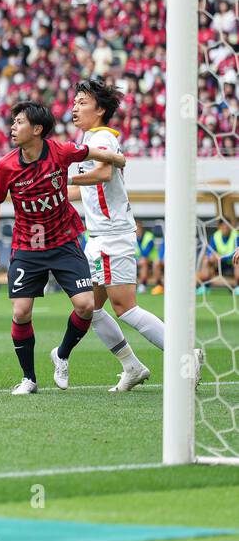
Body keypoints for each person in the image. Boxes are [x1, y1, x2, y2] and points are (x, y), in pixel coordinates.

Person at [0, 100, 127, 394]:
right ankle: (29, 378)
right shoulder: (6, 166)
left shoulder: (59, 151)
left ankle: (61, 354)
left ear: (37, 129)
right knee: (21, 312)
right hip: (28, 246)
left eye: (19, 122)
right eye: (13, 122)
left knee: (86, 305)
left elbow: (89, 151)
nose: (13, 127)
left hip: (64, 242)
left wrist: (116, 160)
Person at [69, 77, 165, 392]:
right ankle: (132, 366)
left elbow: (105, 172)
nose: (75, 107)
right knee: (88, 308)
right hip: (97, 238)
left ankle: (184, 355)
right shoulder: (90, 141)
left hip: (112, 236)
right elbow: (83, 188)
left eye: (82, 102)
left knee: (125, 307)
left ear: (99, 109)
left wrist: (65, 180)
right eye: (75, 102)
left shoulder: (102, 139)